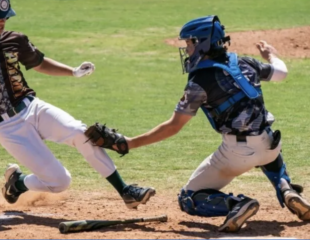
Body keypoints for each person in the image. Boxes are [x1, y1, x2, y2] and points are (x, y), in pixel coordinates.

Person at [0, 0, 155, 210]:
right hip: (7, 126)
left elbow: (39, 62)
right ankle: (19, 183)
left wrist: (72, 72)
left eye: (5, 16)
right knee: (60, 181)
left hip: (33, 107)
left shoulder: (14, 39)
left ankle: (125, 191)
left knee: (80, 132)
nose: (3, 20)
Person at [88, 15, 310, 232]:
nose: (186, 49)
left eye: (189, 43)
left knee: (188, 198)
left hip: (236, 154)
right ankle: (286, 188)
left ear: (201, 43)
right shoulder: (245, 62)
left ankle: (237, 205)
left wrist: (130, 143)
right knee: (265, 147)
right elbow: (281, 73)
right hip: (270, 145)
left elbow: (173, 126)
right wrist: (270, 55)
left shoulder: (198, 82)